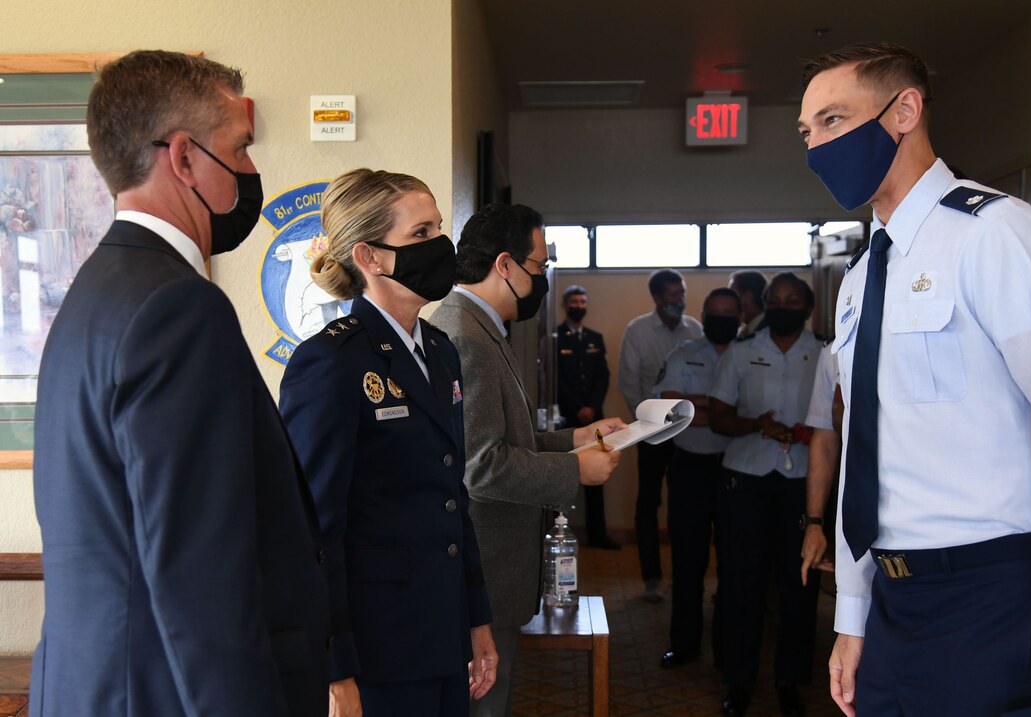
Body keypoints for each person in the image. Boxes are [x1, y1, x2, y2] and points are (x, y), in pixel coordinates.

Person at [29, 51, 330, 717]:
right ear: (186, 159)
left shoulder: (91, 294)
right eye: (240, 149)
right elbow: (203, 581)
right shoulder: (179, 308)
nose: (252, 172)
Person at [798, 41, 1031, 716]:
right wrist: (853, 613)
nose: (816, 147)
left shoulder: (997, 235)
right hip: (898, 603)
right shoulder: (862, 278)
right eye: (807, 132)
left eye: (834, 120)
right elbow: (868, 450)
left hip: (1001, 594)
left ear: (905, 110)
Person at [278, 169, 498, 716]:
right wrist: (336, 673)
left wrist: (476, 619)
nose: (440, 247)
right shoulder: (330, 363)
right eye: (421, 234)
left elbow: (453, 500)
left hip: (443, 637)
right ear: (370, 257)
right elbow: (313, 531)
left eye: (438, 230)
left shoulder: (441, 352)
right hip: (376, 656)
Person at [430, 203, 624, 717]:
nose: (542, 278)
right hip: (484, 568)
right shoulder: (464, 335)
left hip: (495, 569)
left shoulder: (481, 325)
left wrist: (574, 438)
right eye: (538, 266)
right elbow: (482, 464)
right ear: (505, 265)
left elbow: (506, 435)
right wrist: (576, 469)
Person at [709, 273, 822, 717]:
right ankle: (739, 681)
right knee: (742, 585)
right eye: (775, 300)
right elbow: (718, 417)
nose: (782, 306)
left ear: (808, 308)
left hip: (804, 487)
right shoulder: (741, 352)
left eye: (792, 300)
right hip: (746, 482)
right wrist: (757, 424)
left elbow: (841, 414)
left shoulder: (827, 352)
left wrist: (815, 432)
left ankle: (789, 681)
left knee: (799, 587)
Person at [654, 287, 741, 669]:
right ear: (703, 317)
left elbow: (754, 410)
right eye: (715, 311)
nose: (722, 317)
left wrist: (700, 405)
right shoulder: (683, 354)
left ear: (739, 317)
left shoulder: (750, 354)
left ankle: (729, 649)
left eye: (729, 312)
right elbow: (674, 410)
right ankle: (685, 644)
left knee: (735, 565)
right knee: (688, 563)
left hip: (737, 472)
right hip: (690, 467)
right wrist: (725, 411)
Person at [618, 268, 703, 602]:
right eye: (673, 294)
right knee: (648, 505)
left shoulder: (695, 328)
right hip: (652, 433)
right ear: (656, 297)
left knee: (687, 505)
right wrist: (656, 422)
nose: (680, 300)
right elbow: (629, 383)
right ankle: (652, 577)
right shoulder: (637, 330)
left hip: (691, 434)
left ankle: (688, 575)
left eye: (681, 293)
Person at [556, 284, 619, 549]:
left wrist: (592, 407)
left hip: (595, 418)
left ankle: (598, 534)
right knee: (563, 476)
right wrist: (577, 407)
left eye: (583, 302)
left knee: (598, 474)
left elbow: (603, 377)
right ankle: (560, 529)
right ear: (565, 305)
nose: (579, 306)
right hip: (567, 418)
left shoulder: (595, 337)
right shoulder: (555, 336)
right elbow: (555, 378)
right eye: (574, 302)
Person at [799, 344, 843, 587]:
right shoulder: (833, 352)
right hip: (857, 500)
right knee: (853, 603)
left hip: (916, 500)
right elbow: (825, 440)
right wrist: (814, 524)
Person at [729, 270, 767, 338]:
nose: (728, 302)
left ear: (747, 297)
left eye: (732, 296)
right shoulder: (747, 329)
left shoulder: (768, 333)